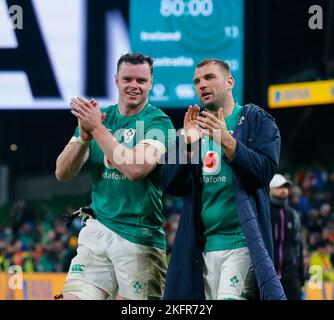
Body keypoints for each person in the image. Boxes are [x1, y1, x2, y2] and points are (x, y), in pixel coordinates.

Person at [159, 58, 286, 300]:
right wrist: (186, 145)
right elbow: (170, 184)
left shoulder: (256, 119)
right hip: (203, 247)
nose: (202, 85)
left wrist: (226, 140)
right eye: (197, 81)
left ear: (229, 82)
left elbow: (264, 172)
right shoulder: (193, 128)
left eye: (209, 77)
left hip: (242, 243)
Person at [55, 53, 175, 300]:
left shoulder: (158, 122)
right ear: (116, 81)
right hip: (97, 231)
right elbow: (62, 172)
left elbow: (136, 169)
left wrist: (96, 129)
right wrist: (84, 137)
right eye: (127, 78)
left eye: (141, 80)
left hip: (138, 237)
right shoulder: (98, 118)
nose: (134, 85)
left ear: (151, 83)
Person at [269, 174, 305, 300]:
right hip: (268, 272)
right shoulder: (263, 212)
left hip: (290, 273)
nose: (284, 190)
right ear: (270, 189)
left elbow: (298, 245)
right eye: (279, 187)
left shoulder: (292, 215)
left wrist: (300, 274)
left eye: (286, 187)